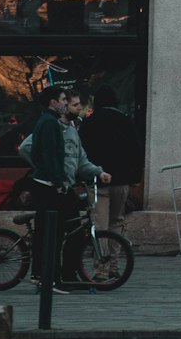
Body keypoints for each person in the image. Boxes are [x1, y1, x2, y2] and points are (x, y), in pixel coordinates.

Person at [21, 88, 111, 289]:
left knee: (76, 233)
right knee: (53, 232)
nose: (79, 108)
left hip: (65, 185)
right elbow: (28, 148)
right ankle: (49, 277)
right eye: (74, 104)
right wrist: (44, 170)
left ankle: (68, 274)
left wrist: (98, 172)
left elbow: (81, 160)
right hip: (52, 186)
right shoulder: (50, 125)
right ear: (61, 105)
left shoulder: (72, 129)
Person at [80, 85, 143, 236]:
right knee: (117, 220)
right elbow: (136, 150)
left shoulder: (89, 122)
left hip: (97, 180)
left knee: (100, 222)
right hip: (121, 178)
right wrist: (134, 177)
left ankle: (102, 257)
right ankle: (114, 258)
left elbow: (81, 152)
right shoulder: (125, 121)